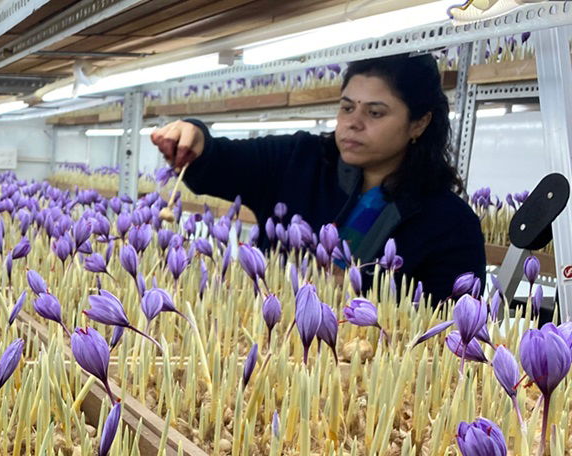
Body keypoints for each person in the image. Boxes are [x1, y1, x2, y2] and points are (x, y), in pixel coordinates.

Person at [150, 52, 485, 303]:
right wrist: (194, 137)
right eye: (347, 107)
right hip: (267, 346)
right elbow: (220, 162)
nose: (354, 122)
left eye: (375, 112)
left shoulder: (450, 223)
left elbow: (450, 331)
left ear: (419, 124)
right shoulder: (298, 159)